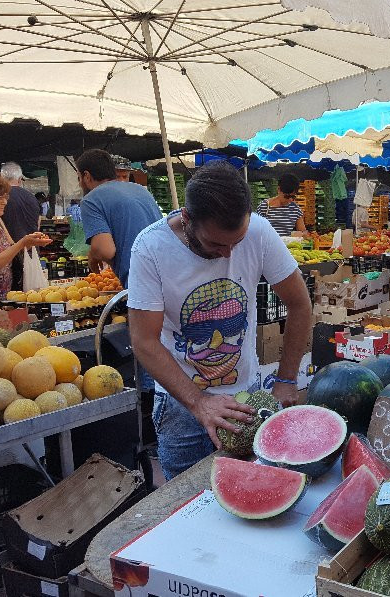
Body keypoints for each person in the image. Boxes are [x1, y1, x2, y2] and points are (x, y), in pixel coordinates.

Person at [128, 161, 312, 480]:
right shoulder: (150, 248)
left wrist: (286, 378)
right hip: (180, 405)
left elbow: (300, 304)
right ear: (187, 219)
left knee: (249, 487)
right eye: (216, 244)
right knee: (183, 508)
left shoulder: (258, 232)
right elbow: (144, 341)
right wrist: (199, 402)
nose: (228, 254)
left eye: (235, 243)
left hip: (246, 396)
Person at [77, 149, 163, 285]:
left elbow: (105, 251)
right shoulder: (140, 190)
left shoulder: (91, 200)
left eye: (79, 178)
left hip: (142, 281)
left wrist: (93, 255)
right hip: (170, 271)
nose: (80, 183)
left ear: (86, 176)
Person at [0, 162, 42, 292]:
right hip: (31, 253)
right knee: (30, 294)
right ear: (19, 179)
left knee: (11, 297)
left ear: (1, 178)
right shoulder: (32, 198)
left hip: (7, 255)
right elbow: (38, 225)